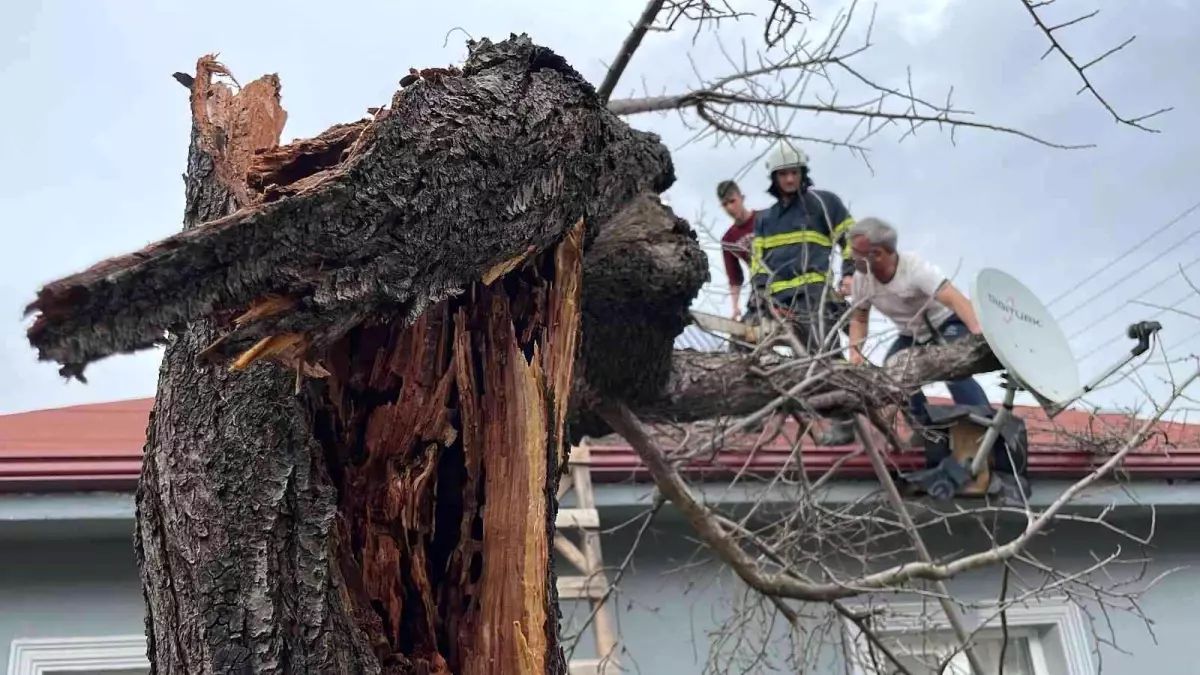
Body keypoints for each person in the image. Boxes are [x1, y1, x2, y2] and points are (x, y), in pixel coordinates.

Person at [844, 217, 992, 444]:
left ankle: (983, 426)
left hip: (945, 324)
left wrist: (979, 334)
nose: (853, 259)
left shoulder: (914, 268)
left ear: (880, 254)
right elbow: (859, 318)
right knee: (894, 373)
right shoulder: (861, 279)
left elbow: (953, 298)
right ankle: (926, 431)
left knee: (953, 368)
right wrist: (855, 352)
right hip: (910, 335)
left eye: (858, 254)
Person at [749, 144, 858, 446]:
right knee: (745, 348)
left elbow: (852, 238)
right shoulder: (764, 219)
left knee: (824, 356)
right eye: (783, 174)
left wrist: (849, 273)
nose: (788, 179)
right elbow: (758, 261)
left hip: (811, 293)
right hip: (773, 299)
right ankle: (752, 412)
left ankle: (843, 421)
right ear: (774, 178)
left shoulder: (824, 203)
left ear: (802, 173)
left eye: (793, 173)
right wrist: (757, 295)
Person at [716, 180, 757, 320]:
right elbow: (734, 278)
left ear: (742, 198)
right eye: (725, 204)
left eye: (732, 201)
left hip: (786, 281)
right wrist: (735, 307)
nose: (730, 208)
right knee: (740, 337)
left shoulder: (765, 218)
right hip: (760, 288)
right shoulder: (729, 239)